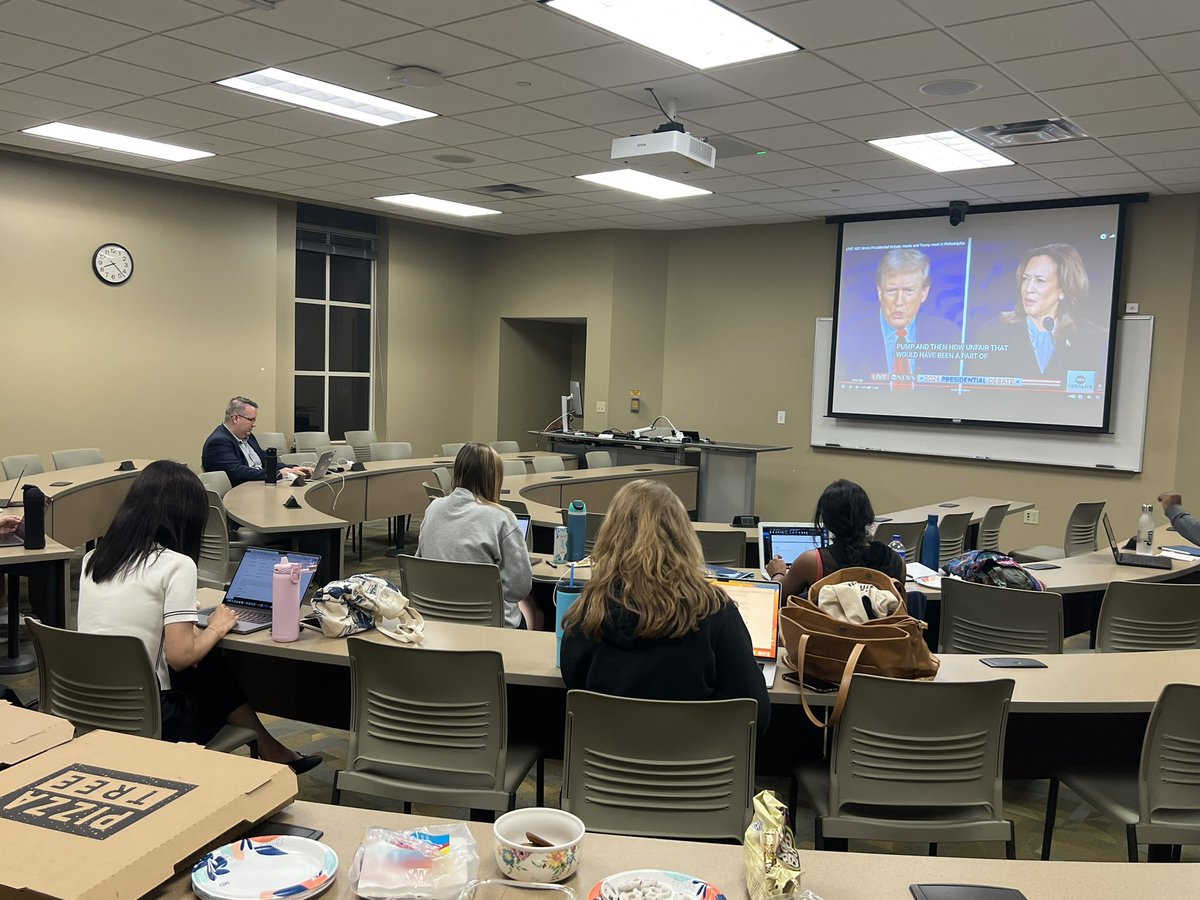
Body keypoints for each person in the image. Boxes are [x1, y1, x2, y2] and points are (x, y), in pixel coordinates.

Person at [76, 460, 319, 773]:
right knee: (215, 671)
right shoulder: (175, 565)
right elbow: (180, 656)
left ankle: (271, 748)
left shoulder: (93, 559)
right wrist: (217, 627)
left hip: (87, 706)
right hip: (149, 718)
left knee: (208, 668)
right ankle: (270, 748)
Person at [559, 479, 770, 738]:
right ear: (682, 537)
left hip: (608, 772)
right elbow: (754, 714)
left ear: (611, 536)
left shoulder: (590, 611)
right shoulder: (715, 611)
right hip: (696, 773)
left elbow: (572, 681)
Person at [417, 442, 536, 629]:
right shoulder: (502, 518)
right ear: (493, 478)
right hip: (487, 623)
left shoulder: (433, 509)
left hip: (435, 618)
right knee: (534, 608)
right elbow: (519, 588)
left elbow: (420, 563)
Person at [971, 243, 1108, 383]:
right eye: (1025, 279)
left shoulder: (1094, 337)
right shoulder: (992, 333)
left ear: (1063, 289)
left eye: (1040, 281)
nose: (1028, 288)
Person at [836, 248, 962, 388]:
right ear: (879, 292)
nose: (899, 301)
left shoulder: (947, 334)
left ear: (924, 293)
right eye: (891, 291)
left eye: (908, 291)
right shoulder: (851, 335)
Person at [765, 479, 904, 600]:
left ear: (826, 520)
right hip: (879, 631)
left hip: (824, 631)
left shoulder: (812, 561)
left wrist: (777, 574)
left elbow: (775, 599)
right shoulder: (896, 561)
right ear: (868, 515)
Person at [201, 396, 311, 487]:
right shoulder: (218, 442)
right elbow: (237, 472)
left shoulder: (248, 436)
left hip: (258, 487)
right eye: (251, 420)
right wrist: (278, 474)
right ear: (235, 419)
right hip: (240, 495)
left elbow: (265, 461)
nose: (254, 424)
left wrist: (292, 468)